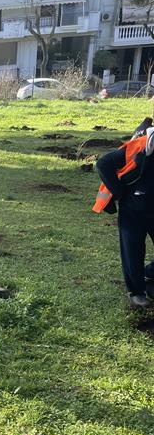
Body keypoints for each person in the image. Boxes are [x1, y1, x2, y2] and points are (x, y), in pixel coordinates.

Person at [95, 122, 154, 309]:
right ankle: (137, 293)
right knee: (133, 250)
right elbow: (103, 164)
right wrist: (119, 193)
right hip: (133, 209)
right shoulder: (140, 147)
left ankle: (150, 275)